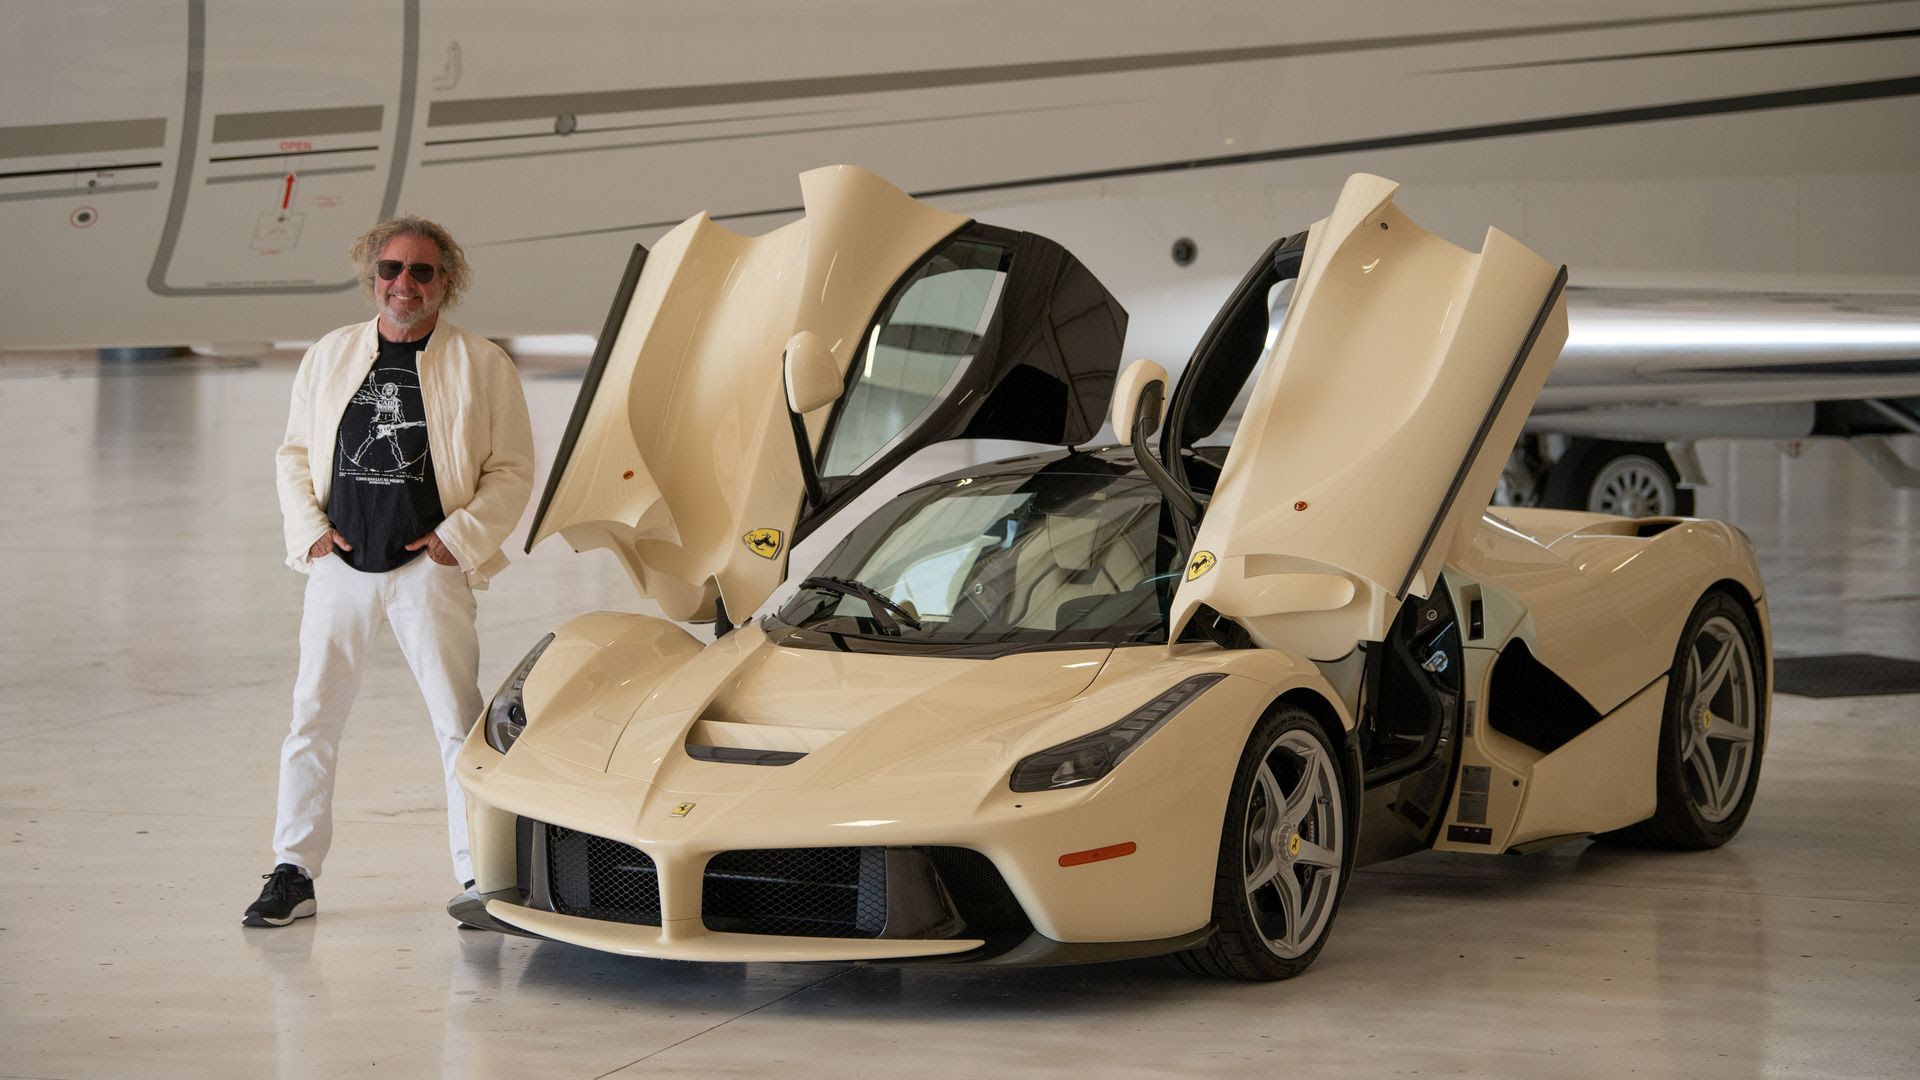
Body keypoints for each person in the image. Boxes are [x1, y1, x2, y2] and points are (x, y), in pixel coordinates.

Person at [244, 215, 534, 927]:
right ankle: (294, 873)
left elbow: (512, 470)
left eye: (422, 271)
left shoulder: (483, 364)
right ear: (372, 276)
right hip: (340, 569)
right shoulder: (331, 354)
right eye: (391, 269)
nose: (404, 283)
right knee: (312, 719)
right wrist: (311, 536)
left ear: (447, 282)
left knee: (458, 726)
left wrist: (454, 540)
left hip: (427, 572)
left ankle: (480, 877)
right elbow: (293, 453)